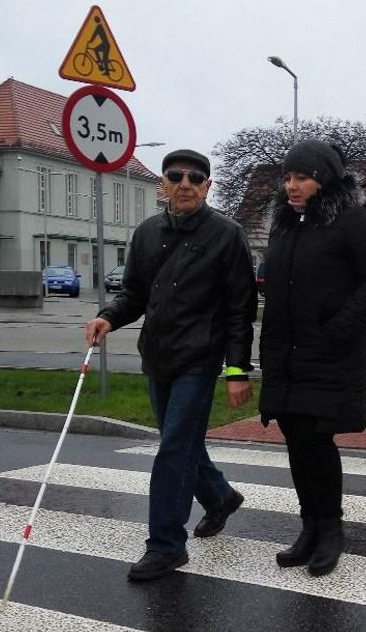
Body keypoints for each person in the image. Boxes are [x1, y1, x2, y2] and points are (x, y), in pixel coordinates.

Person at [84, 149, 257, 581]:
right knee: (181, 444)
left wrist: (237, 371)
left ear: (207, 186)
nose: (185, 184)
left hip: (199, 359)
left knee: (174, 449)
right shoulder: (146, 234)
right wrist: (108, 315)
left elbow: (240, 309)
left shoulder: (227, 234)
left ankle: (165, 545)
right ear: (163, 183)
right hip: (157, 355)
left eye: (196, 178)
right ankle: (220, 498)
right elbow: (134, 295)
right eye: (176, 176)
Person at [258, 139, 366, 576]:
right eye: (288, 177)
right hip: (287, 355)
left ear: (325, 179)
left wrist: (337, 328)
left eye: (301, 177)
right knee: (296, 442)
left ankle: (331, 530)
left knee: (317, 440)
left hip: (329, 353)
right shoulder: (286, 226)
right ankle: (309, 527)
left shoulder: (354, 223)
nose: (291, 186)